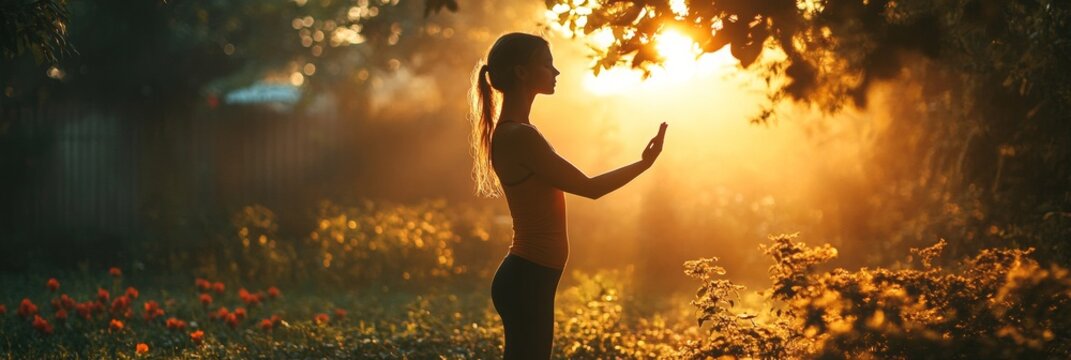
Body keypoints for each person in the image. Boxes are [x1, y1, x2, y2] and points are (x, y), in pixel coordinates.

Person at [469, 32, 668, 359]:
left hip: (530, 277)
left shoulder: (520, 131)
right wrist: (645, 164)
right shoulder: (518, 136)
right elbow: (589, 188)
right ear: (522, 72)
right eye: (547, 64)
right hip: (526, 278)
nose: (556, 72)